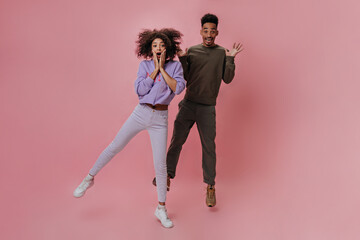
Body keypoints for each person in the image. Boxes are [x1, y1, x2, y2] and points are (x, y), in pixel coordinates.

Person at [73, 28, 185, 228]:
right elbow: (140, 90)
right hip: (141, 112)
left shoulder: (175, 67)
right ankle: (89, 178)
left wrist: (163, 69)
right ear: (150, 49)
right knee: (115, 146)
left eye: (161, 45)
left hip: (160, 117)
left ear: (167, 48)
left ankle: (161, 208)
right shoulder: (144, 66)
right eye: (154, 45)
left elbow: (177, 88)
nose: (158, 48)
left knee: (160, 165)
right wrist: (154, 71)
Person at [152, 13, 243, 207]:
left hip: (207, 108)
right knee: (177, 140)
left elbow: (227, 79)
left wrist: (231, 59)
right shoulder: (192, 51)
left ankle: (210, 186)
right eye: (206, 30)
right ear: (201, 32)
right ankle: (167, 176)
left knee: (209, 148)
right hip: (188, 104)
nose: (209, 34)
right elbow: (184, 78)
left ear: (217, 32)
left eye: (213, 31)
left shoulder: (222, 53)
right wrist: (184, 59)